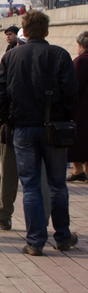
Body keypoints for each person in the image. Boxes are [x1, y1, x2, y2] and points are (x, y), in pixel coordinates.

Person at [0, 10, 78, 256]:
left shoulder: (10, 57)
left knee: (30, 186)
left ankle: (35, 241)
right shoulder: (60, 55)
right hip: (54, 129)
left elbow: (1, 97)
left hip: (22, 129)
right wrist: (63, 117)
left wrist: (5, 121)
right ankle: (62, 236)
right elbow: (71, 94)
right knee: (57, 185)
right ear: (47, 31)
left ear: (25, 32)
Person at [67, 31, 88, 183]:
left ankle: (78, 170)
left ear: (81, 46)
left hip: (81, 109)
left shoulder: (80, 61)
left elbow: (74, 86)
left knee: (79, 140)